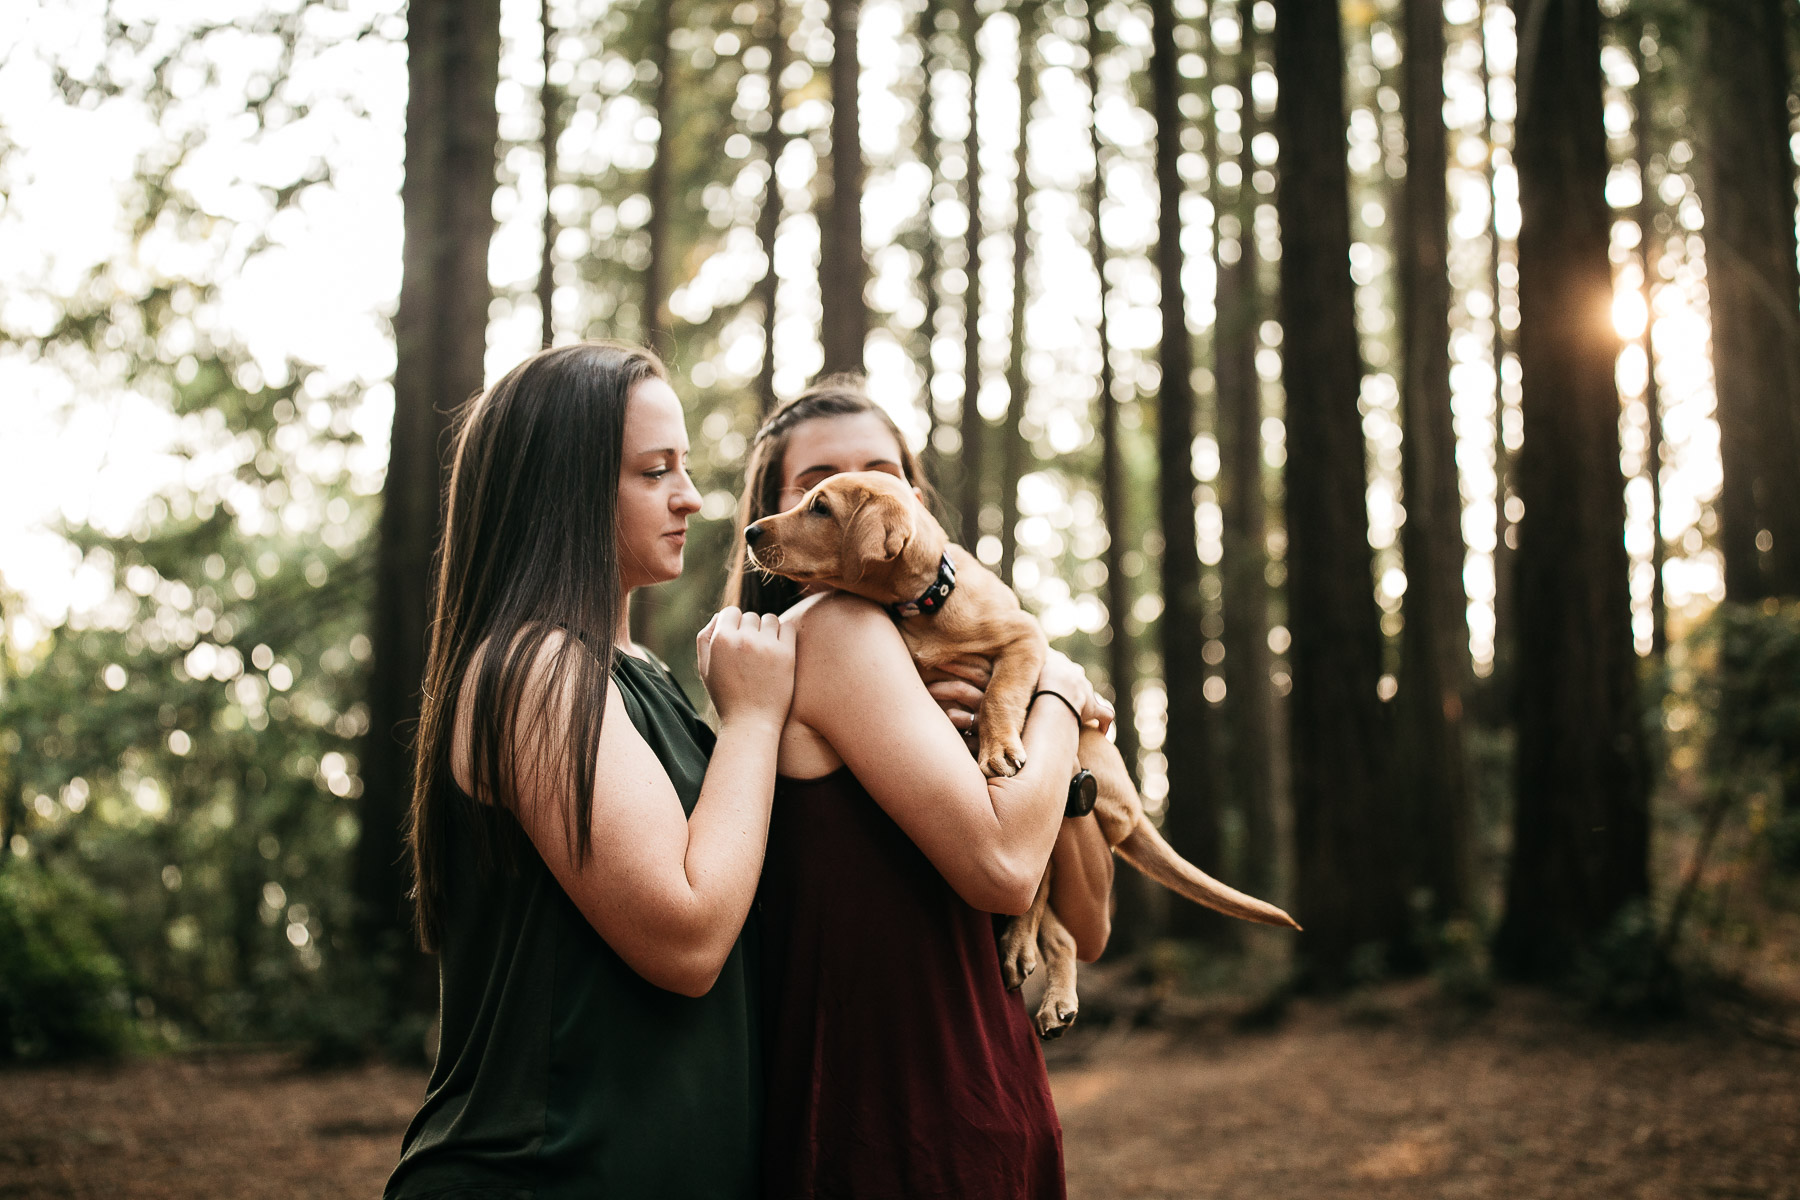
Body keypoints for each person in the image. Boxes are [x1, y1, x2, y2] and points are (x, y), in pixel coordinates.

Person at [386, 341, 795, 1199]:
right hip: (540, 1177)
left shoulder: (636, 672)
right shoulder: (535, 672)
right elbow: (686, 937)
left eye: (682, 466)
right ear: (562, 489)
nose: (689, 495)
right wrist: (753, 717)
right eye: (653, 471)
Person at [725, 378, 1117, 1199]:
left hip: (995, 1085)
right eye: (817, 487)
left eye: (880, 474)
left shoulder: (954, 653)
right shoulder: (830, 633)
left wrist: (1062, 769)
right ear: (769, 515)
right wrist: (1054, 686)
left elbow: (1089, 923)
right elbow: (1005, 867)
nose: (859, 501)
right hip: (890, 1112)